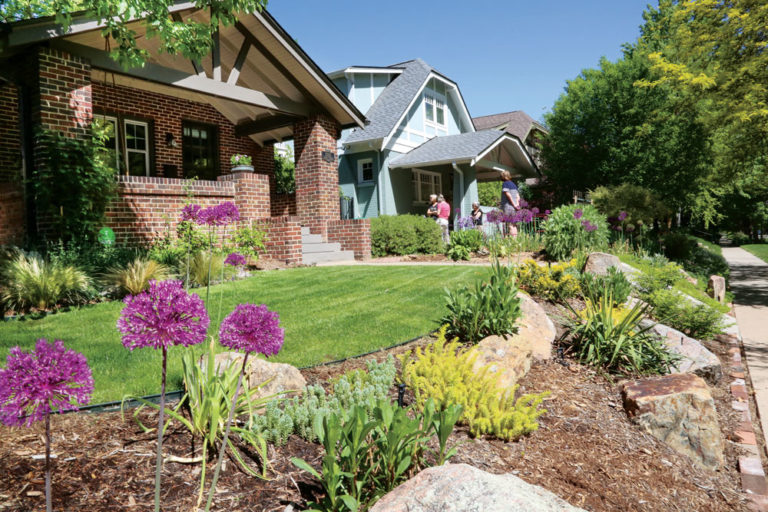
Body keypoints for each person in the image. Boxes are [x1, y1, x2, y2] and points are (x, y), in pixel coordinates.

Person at [500, 171, 520, 237]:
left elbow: (508, 195)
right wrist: (517, 205)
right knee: (514, 225)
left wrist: (513, 204)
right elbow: (518, 196)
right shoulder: (513, 185)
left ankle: (513, 242)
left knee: (510, 225)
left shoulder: (505, 184)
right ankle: (516, 241)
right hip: (515, 208)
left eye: (501, 176)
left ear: (504, 176)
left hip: (508, 207)